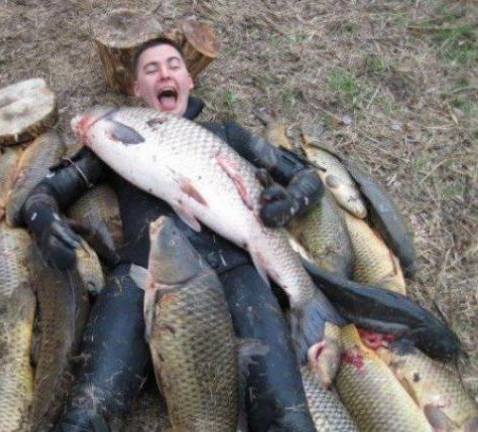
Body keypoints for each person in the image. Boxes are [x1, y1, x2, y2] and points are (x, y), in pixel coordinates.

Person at [23, 38, 323, 431]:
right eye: (151, 69)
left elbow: (306, 177)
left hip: (237, 274)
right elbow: (44, 192)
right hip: (140, 276)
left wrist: (290, 202)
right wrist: (43, 220)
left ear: (189, 81)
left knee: (288, 417)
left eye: (173, 65)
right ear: (137, 89)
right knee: (87, 414)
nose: (164, 73)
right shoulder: (113, 141)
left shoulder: (225, 134)